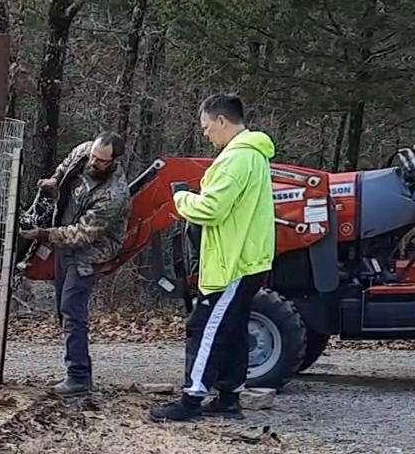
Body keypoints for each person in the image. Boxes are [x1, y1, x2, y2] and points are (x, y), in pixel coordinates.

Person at [150, 94, 278, 423]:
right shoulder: (254, 156)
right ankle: (228, 396)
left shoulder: (236, 159)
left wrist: (181, 198)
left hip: (232, 264)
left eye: (207, 127)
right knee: (233, 329)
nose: (206, 134)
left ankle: (191, 398)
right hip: (247, 261)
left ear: (222, 121)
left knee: (204, 328)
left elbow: (212, 208)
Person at [21, 130, 131, 398]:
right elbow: (68, 162)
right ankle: (79, 372)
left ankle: (78, 376)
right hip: (65, 241)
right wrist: (55, 180)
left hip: (89, 251)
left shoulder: (113, 195)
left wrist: (44, 235)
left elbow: (82, 234)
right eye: (93, 156)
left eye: (101, 161)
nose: (93, 163)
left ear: (114, 161)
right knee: (62, 309)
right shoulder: (85, 152)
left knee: (72, 308)